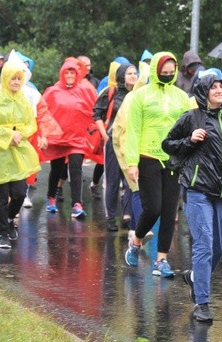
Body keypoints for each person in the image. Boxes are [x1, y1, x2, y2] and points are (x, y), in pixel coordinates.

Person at [162, 72, 222, 322]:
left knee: (220, 247)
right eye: (214, 87)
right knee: (204, 244)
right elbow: (168, 143)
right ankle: (202, 302)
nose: (220, 90)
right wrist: (190, 139)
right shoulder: (192, 117)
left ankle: (195, 277)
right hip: (198, 188)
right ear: (204, 92)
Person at [123, 51, 191, 277]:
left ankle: (161, 260)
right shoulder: (140, 96)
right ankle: (136, 240)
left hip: (172, 159)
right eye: (163, 73)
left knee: (170, 210)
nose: (167, 76)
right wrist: (132, 162)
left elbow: (186, 129)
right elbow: (132, 130)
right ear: (155, 71)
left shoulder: (181, 97)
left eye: (171, 73)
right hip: (147, 157)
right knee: (153, 208)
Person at [0, 57, 41, 250]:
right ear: (5, 78)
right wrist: (8, 134)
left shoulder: (24, 100)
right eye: (12, 79)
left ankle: (9, 218)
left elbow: (31, 123)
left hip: (18, 152)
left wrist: (20, 134)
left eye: (18, 79)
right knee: (0, 197)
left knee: (19, 193)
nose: (15, 82)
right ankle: (3, 234)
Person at [41, 57, 97, 218]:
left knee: (76, 167)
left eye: (73, 72)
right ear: (62, 73)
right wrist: (43, 134)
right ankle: (51, 197)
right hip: (58, 138)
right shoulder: (52, 91)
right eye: (68, 72)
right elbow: (42, 112)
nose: (70, 75)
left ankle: (77, 204)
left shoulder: (85, 90)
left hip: (77, 139)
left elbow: (94, 110)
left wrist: (93, 129)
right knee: (57, 169)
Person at [94, 61, 136, 231]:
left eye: (135, 73)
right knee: (112, 180)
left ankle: (127, 215)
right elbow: (96, 112)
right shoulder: (111, 92)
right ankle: (111, 217)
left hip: (132, 142)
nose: (133, 76)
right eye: (129, 73)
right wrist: (104, 135)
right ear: (121, 76)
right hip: (113, 142)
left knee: (131, 180)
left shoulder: (139, 94)